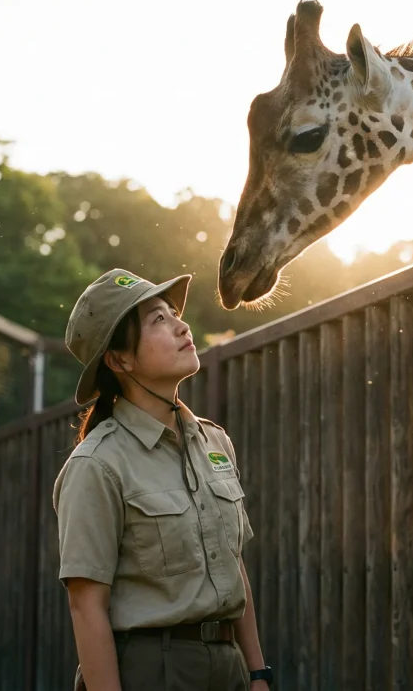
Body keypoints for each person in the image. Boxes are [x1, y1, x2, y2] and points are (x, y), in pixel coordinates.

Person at [51, 268, 274, 691]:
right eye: (158, 320)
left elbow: (232, 566)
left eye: (173, 312)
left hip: (229, 669)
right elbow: (86, 607)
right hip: (153, 673)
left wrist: (258, 673)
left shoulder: (214, 441)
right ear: (120, 360)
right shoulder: (96, 465)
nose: (181, 324)